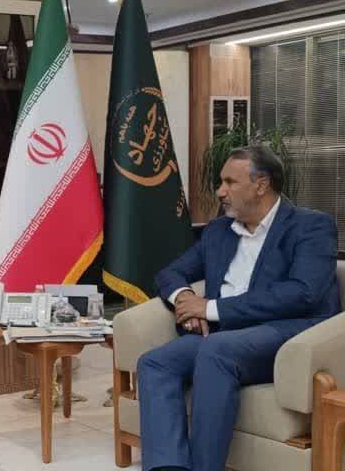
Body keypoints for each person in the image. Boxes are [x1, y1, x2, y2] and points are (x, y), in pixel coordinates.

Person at [136, 145, 340, 471]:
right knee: (155, 363)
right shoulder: (220, 230)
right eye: (221, 182)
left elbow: (303, 293)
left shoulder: (310, 226)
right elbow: (170, 273)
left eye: (230, 182)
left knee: (216, 350)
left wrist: (210, 309)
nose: (220, 191)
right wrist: (185, 300)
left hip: (287, 334)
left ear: (261, 185)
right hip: (225, 334)